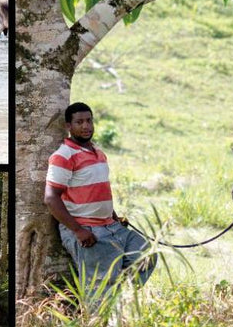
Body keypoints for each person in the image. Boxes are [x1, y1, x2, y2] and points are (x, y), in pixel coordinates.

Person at [44, 102, 155, 308]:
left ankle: (118, 301)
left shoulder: (99, 153)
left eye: (89, 120)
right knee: (99, 289)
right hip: (87, 230)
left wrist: (114, 217)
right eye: (79, 122)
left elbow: (98, 191)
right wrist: (78, 231)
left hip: (111, 226)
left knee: (147, 255)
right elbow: (51, 198)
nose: (86, 126)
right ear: (69, 126)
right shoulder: (63, 156)